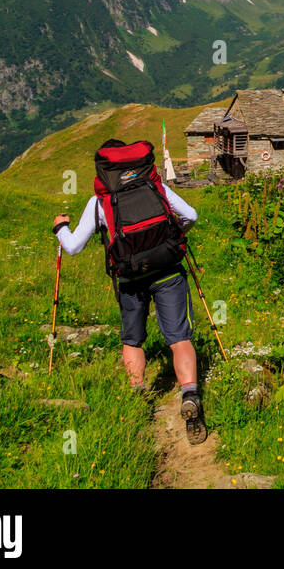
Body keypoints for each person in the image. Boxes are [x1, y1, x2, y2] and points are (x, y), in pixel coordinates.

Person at [52, 155, 207, 444]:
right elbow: (192, 216)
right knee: (179, 338)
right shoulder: (156, 188)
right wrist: (174, 238)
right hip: (168, 271)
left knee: (132, 339)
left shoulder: (100, 201)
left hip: (129, 278)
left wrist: (60, 227)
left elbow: (73, 247)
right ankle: (190, 394)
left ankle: (137, 395)